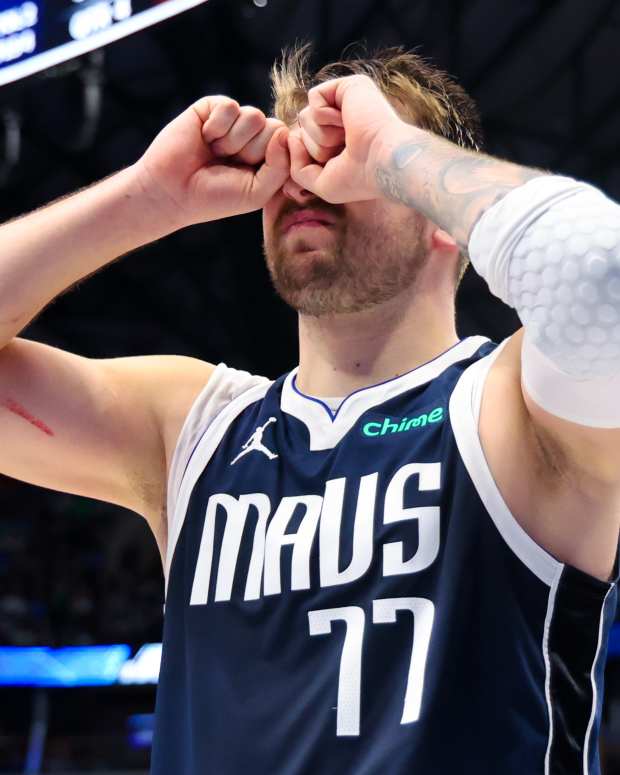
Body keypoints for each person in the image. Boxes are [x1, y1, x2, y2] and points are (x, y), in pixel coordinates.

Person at [0, 43, 618, 774]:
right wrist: (145, 198)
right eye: (296, 158)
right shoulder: (193, 426)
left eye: (348, 157)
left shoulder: (512, 410)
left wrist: (391, 150)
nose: (310, 175)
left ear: (442, 212)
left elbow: (598, 274)